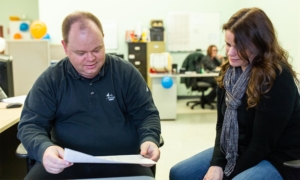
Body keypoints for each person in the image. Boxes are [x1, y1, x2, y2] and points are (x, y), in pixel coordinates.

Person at [17, 11, 161, 179]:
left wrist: (150, 138)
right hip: (66, 163)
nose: (91, 58)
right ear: (65, 47)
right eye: (81, 53)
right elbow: (30, 125)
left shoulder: (126, 74)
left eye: (97, 49)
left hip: (122, 161)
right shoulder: (52, 79)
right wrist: (44, 149)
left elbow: (146, 114)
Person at [170, 7, 300, 180]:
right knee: (179, 173)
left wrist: (226, 175)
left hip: (277, 155)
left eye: (239, 47)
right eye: (228, 44)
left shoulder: (277, 78)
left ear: (259, 45)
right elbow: (221, 126)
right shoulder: (228, 74)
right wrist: (217, 164)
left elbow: (261, 145)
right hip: (236, 149)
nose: (230, 53)